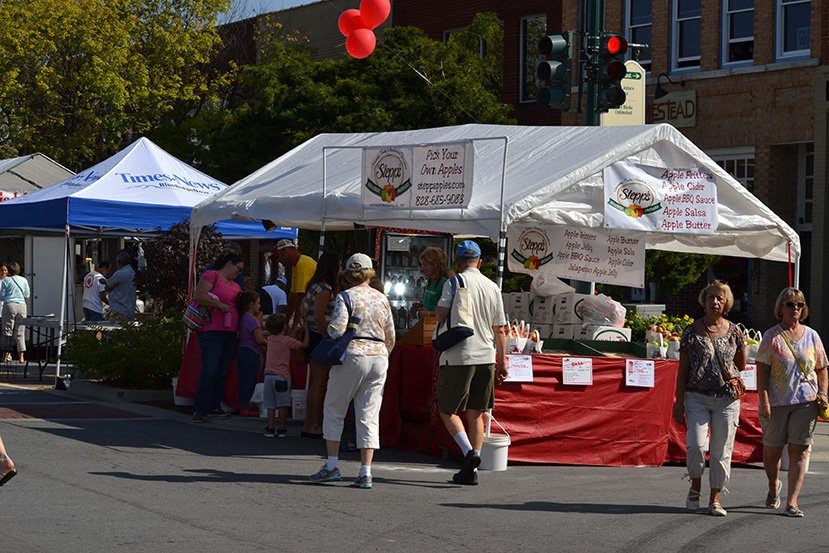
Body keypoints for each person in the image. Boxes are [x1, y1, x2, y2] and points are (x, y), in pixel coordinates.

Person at [308, 253, 395, 489]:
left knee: (335, 408)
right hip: (378, 354)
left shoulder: (346, 296)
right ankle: (365, 471)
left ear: (348, 274)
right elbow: (391, 335)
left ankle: (332, 465)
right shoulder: (382, 298)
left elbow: (336, 330)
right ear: (369, 273)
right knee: (368, 414)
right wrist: (383, 352)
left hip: (354, 353)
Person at [435, 240, 507, 486]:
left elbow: (441, 315)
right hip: (486, 355)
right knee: (476, 413)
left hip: (459, 354)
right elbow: (500, 330)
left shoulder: (453, 282)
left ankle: (469, 453)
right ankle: (471, 467)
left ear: (457, 260)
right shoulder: (491, 286)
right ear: (480, 261)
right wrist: (502, 361)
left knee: (447, 409)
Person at [673, 280, 746, 516]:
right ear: (704, 301)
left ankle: (715, 498)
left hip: (727, 399)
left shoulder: (735, 331)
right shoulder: (691, 332)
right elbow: (683, 370)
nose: (715, 301)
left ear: (726, 303)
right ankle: (695, 485)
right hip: (697, 397)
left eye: (719, 298)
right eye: (711, 297)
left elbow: (740, 365)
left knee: (721, 450)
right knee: (696, 445)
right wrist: (678, 402)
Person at [756, 288, 829, 517]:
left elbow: (822, 368)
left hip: (805, 402)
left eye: (799, 304)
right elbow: (762, 373)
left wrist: (824, 393)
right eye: (790, 304)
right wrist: (764, 401)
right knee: (772, 452)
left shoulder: (812, 336)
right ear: (780, 308)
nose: (795, 309)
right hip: (777, 402)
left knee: (799, 451)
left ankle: (792, 501)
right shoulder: (771, 336)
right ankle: (772, 485)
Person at [191, 253, 244, 422]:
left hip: (230, 332)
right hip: (212, 330)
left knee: (221, 371)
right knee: (211, 370)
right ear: (229, 264)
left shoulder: (235, 285)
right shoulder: (212, 275)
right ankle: (200, 407)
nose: (239, 273)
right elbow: (199, 296)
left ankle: (213, 405)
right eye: (238, 269)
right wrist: (218, 304)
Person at [301, 251, 341, 439]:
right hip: (320, 338)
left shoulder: (314, 285)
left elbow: (304, 311)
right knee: (319, 382)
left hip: (313, 337)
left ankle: (309, 423)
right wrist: (328, 337)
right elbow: (319, 316)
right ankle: (314, 425)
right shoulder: (325, 288)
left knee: (315, 382)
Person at [262, 312, 307, 438]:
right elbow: (304, 345)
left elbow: (266, 333)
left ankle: (270, 428)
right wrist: (305, 332)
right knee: (283, 405)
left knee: (270, 405)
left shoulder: (270, 339)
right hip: (282, 376)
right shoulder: (287, 341)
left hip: (268, 376)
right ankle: (282, 428)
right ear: (284, 327)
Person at [236, 291, 267, 417]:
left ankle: (244, 405)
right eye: (258, 303)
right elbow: (259, 339)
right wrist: (268, 343)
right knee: (249, 380)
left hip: (243, 349)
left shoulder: (243, 318)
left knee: (244, 380)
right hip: (251, 352)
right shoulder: (253, 320)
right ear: (251, 304)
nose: (259, 306)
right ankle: (246, 406)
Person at [273, 239, 316, 327]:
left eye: (278, 257)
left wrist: (294, 327)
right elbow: (293, 296)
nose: (279, 261)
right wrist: (286, 322)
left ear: (284, 253)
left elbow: (301, 298)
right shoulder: (295, 266)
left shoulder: (304, 264)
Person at [1, 262, 30, 364]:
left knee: (7, 331)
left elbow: (2, 296)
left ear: (9, 270)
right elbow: (27, 295)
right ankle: (21, 357)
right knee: (20, 332)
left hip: (10, 306)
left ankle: (5, 356)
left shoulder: (6, 281)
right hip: (22, 306)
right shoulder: (24, 280)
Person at [418, 247, 449, 318]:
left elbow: (447, 312)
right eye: (421, 265)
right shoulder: (430, 282)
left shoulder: (445, 283)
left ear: (435, 266)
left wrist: (429, 313)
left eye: (425, 265)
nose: (422, 269)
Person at [105, 251, 136, 320]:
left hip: (118, 310)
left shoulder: (120, 274)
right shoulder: (132, 272)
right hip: (130, 310)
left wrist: (103, 281)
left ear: (118, 263)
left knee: (114, 329)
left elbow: (108, 286)